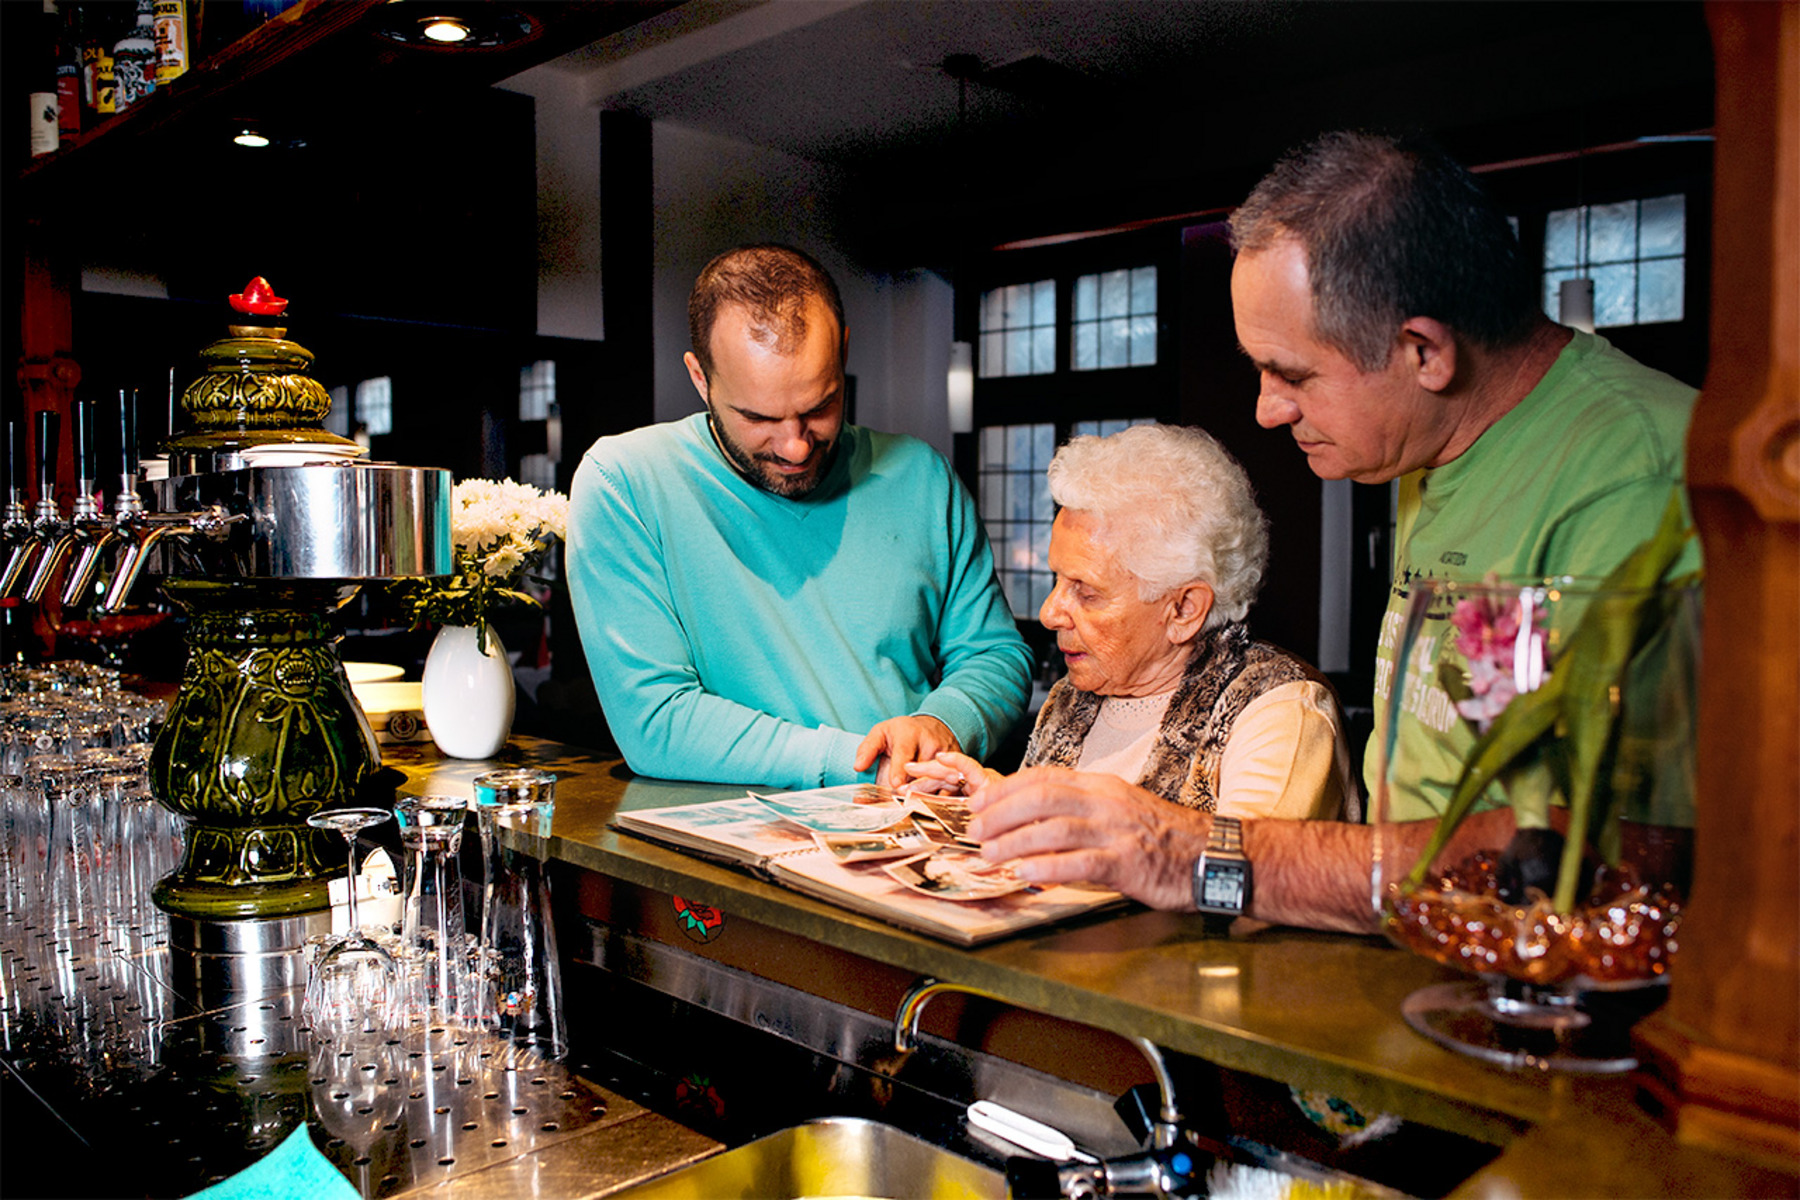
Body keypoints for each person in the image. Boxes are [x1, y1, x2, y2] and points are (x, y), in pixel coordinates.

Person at [962, 131, 1699, 933]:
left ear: (1425, 352)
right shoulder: (1434, 445)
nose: (1266, 410)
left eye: (1293, 374)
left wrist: (1191, 853)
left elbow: (1635, 859)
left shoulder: (1635, 478)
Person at [565, 244, 1032, 790]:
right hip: (723, 847)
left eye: (820, 407)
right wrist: (862, 761)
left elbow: (995, 654)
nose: (794, 447)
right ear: (700, 378)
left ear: (844, 352)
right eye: (758, 417)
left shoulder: (922, 476)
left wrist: (942, 723)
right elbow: (657, 721)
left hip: (914, 822)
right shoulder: (624, 483)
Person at [906, 423, 1352, 823]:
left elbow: (1245, 876)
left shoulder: (1276, 710)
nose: (1049, 612)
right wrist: (999, 801)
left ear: (1183, 609)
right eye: (1057, 580)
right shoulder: (1073, 698)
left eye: (1086, 592)